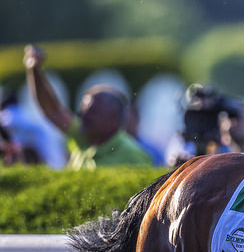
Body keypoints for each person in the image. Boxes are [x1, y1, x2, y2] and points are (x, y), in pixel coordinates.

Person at [24, 44, 152, 169]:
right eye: (83, 111)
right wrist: (34, 69)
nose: (83, 116)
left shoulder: (134, 156)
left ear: (112, 118)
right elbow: (53, 110)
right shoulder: (83, 136)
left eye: (93, 112)